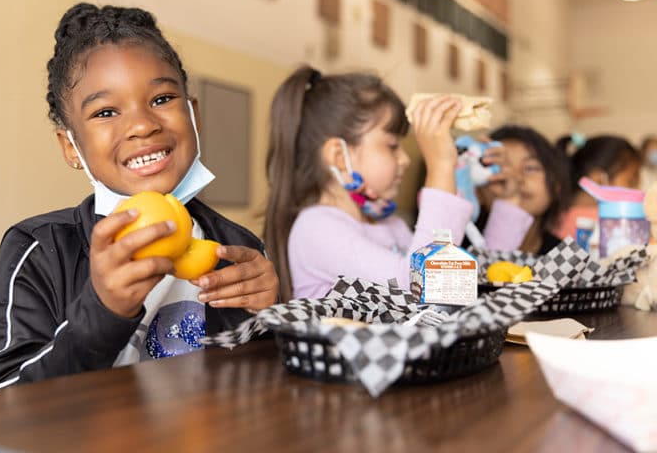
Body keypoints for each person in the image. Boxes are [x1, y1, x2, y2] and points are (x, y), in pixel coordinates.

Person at [0, 4, 278, 391]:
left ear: (194, 115)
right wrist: (102, 311)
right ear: (70, 147)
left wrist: (269, 317)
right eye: (105, 112)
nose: (141, 125)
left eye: (161, 99)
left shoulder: (238, 247)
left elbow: (263, 388)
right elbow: (5, 398)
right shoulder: (39, 252)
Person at [264, 66, 533, 301]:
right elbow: (422, 288)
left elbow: (460, 285)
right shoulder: (317, 228)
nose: (404, 159)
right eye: (392, 146)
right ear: (339, 156)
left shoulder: (390, 226)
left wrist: (508, 201)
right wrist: (440, 167)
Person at [473, 126, 572, 254]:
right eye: (500, 168)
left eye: (530, 168)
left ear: (557, 184)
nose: (515, 178)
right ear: (478, 189)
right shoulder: (458, 241)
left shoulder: (564, 258)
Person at [555, 134, 641, 240]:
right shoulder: (607, 222)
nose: (637, 189)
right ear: (598, 180)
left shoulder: (556, 219)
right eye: (631, 181)